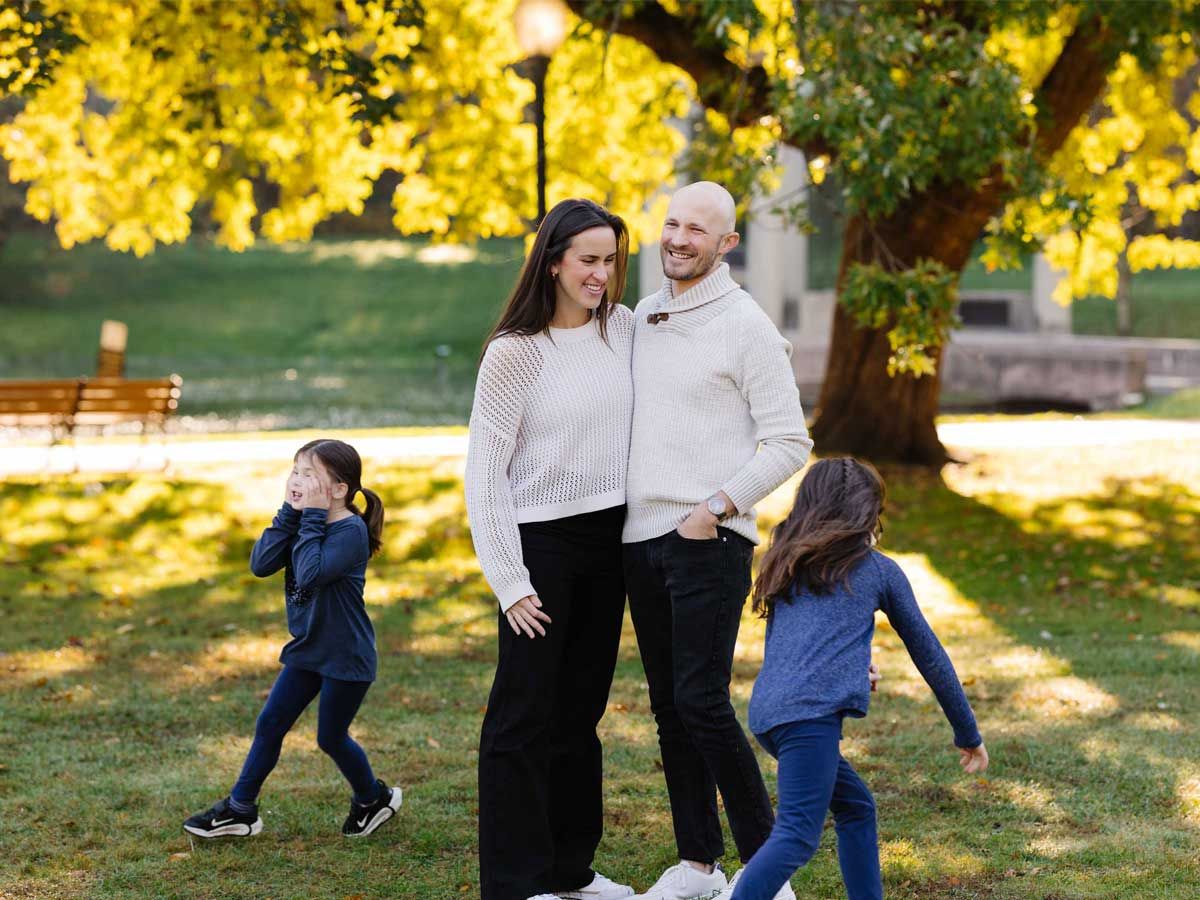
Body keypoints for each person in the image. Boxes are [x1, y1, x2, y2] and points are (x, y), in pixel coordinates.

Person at [623, 182, 814, 900]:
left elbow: (790, 441)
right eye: (672, 224)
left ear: (727, 243)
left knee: (702, 702)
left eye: (697, 230)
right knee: (670, 709)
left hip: (707, 541)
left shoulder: (746, 325)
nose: (678, 239)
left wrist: (715, 508)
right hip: (638, 541)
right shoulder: (645, 316)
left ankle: (768, 874)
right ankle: (698, 867)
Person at [466, 198, 636, 900]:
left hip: (610, 542)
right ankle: (516, 883)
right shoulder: (515, 353)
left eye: (610, 261)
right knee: (523, 716)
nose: (601, 274)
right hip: (540, 545)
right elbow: (485, 474)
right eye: (588, 260)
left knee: (580, 715)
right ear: (554, 263)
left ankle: (570, 872)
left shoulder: (624, 330)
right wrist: (510, 580)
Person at [720, 457, 989, 900]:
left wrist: (850, 669)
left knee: (856, 807)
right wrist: (968, 733)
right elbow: (930, 654)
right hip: (808, 720)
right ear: (867, 511)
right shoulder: (878, 569)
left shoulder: (787, 560)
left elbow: (796, 646)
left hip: (770, 714)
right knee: (797, 835)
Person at [183, 439, 400, 840]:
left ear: (339, 489)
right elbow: (261, 563)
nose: (297, 481)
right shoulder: (303, 520)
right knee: (270, 723)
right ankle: (241, 810)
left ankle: (373, 799)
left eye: (310, 475)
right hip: (308, 649)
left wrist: (311, 518)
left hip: (345, 655)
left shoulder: (350, 531)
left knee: (330, 737)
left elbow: (310, 574)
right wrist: (289, 514)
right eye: (295, 471)